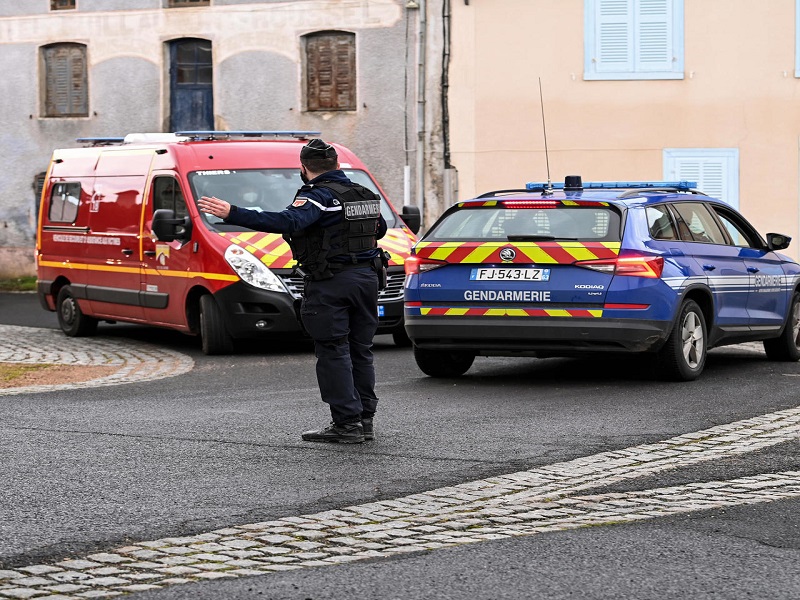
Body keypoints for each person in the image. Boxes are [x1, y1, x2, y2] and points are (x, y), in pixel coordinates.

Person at [197, 139, 387, 444]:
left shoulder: (317, 196)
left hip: (332, 283)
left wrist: (233, 212)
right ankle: (365, 420)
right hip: (367, 279)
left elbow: (289, 220)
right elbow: (378, 231)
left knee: (333, 350)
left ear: (304, 168)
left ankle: (346, 424)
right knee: (360, 350)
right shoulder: (363, 194)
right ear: (338, 165)